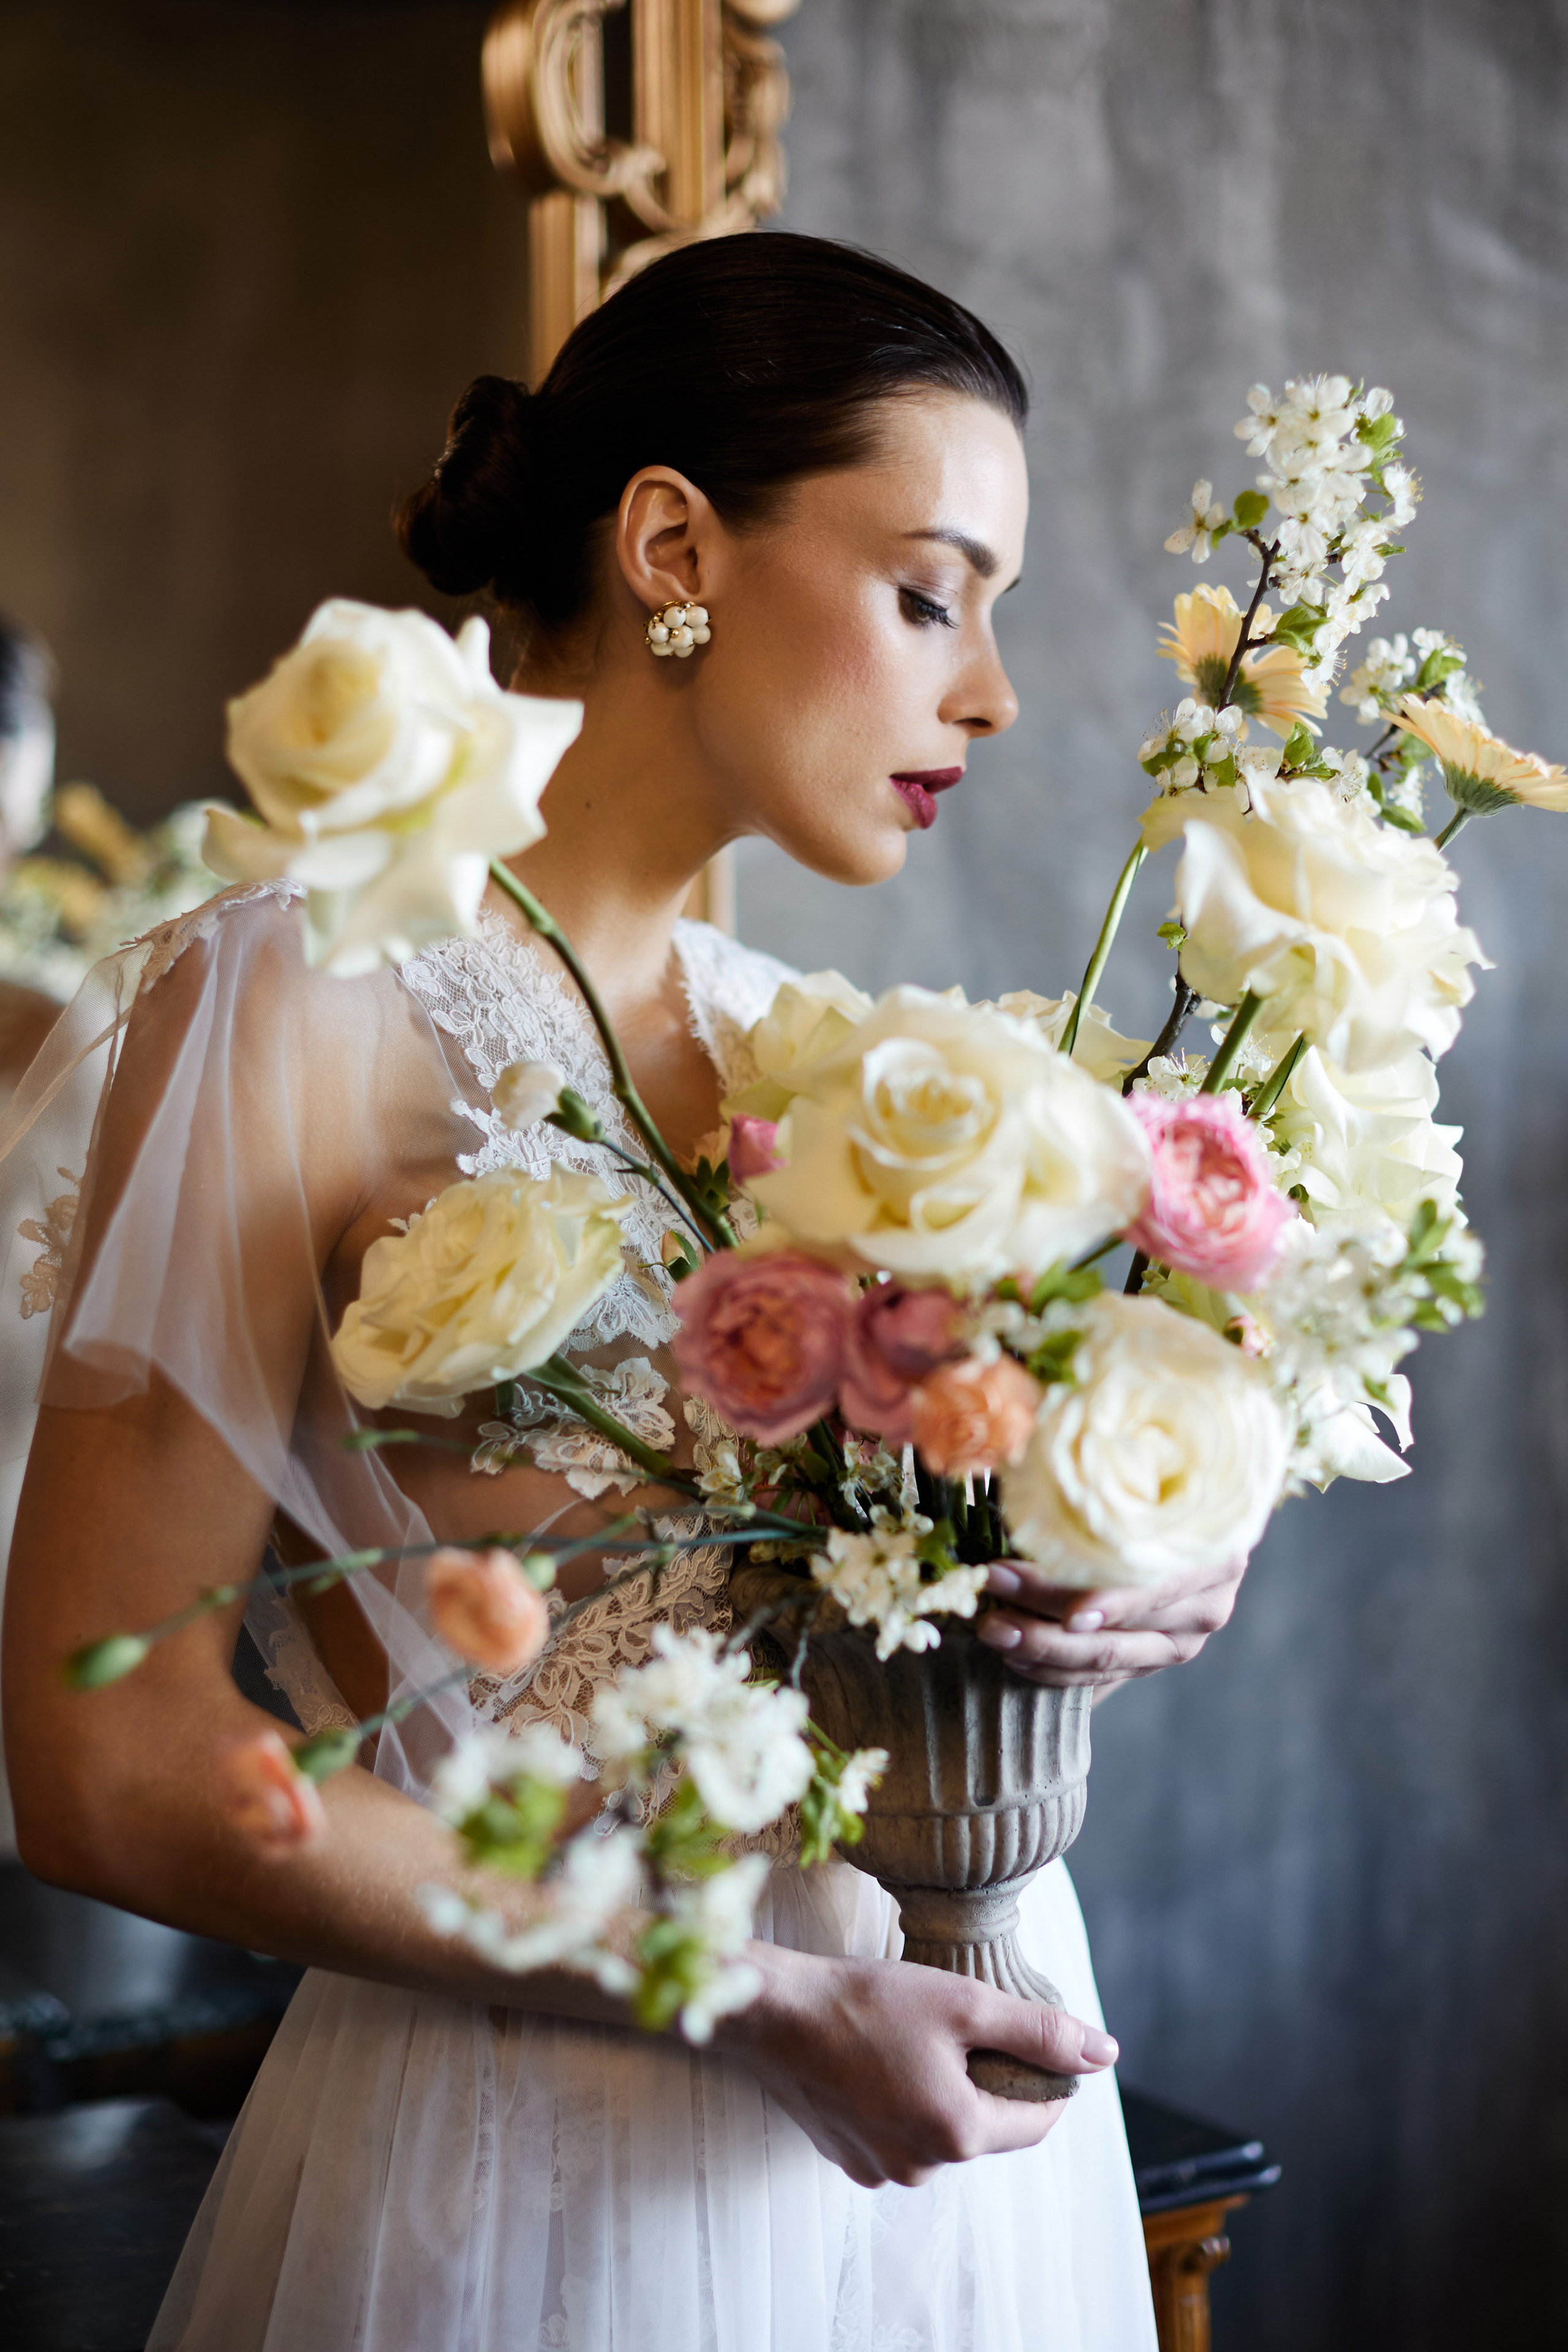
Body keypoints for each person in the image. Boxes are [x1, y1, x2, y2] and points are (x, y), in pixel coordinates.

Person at [2, 235, 1248, 2352]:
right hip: (545, 2178)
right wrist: (751, 2001)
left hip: (960, 2140)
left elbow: (884, 1616)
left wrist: (1120, 1575)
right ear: (673, 544)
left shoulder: (833, 1064)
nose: (991, 694)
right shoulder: (302, 995)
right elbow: (104, 1760)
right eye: (932, 594)